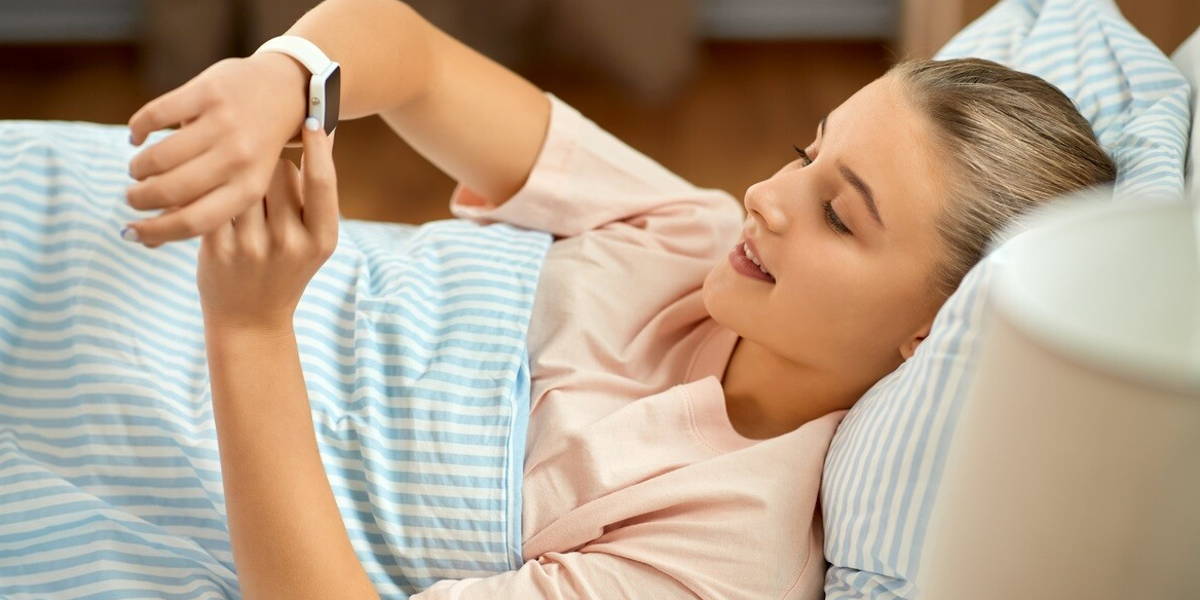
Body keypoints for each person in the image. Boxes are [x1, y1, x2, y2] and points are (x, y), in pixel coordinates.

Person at [121, 0, 1117, 598]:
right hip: (114, 213)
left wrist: (251, 329)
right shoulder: (688, 232)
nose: (766, 198)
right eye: (806, 153)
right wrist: (286, 78)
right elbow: (408, 53)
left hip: (123, 429)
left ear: (933, 335)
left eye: (840, 217)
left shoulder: (724, 552)